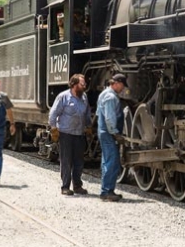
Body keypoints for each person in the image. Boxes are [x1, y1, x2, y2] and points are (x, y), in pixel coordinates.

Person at [48, 73, 92, 196]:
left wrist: (88, 126)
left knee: (79, 161)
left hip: (79, 133)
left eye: (84, 84)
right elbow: (53, 113)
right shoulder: (63, 97)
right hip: (66, 133)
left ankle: (77, 185)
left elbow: (87, 112)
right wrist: (54, 129)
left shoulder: (84, 97)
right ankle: (65, 187)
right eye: (82, 84)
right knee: (66, 161)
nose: (84, 86)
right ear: (74, 85)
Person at [96, 73, 128, 202]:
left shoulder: (105, 94)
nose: (123, 89)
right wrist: (115, 133)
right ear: (116, 83)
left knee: (107, 161)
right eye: (122, 86)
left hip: (104, 131)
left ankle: (107, 190)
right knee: (112, 161)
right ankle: (107, 192)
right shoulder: (110, 97)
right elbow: (109, 118)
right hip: (108, 133)